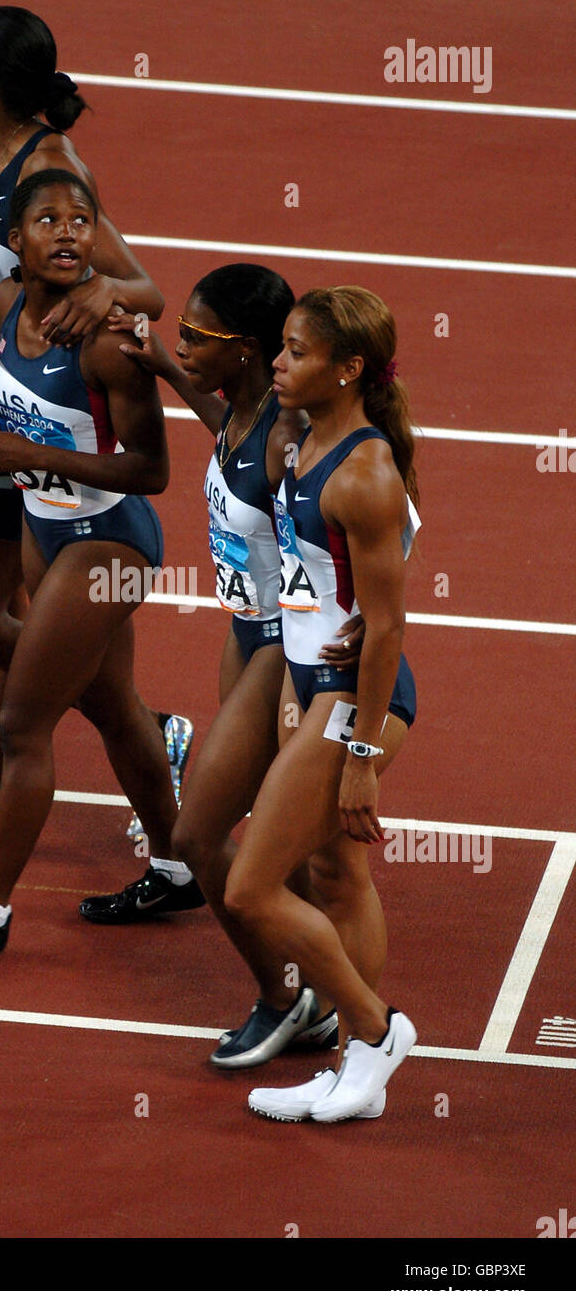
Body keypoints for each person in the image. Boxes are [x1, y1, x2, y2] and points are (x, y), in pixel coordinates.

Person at [0, 6, 191, 857]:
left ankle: (140, 724)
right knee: (3, 608)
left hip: (26, 401)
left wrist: (102, 297)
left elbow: (143, 286)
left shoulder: (48, 166)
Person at [0, 170, 196, 961]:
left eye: (81, 220)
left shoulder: (106, 342)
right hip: (47, 530)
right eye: (48, 220)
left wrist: (26, 452)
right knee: (116, 710)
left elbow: (150, 472)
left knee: (25, 722)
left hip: (111, 545)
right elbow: (7, 394)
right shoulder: (7, 309)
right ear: (18, 243)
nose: (67, 232)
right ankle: (178, 864)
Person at [79, 267, 364, 1074]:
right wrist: (169, 372)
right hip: (243, 636)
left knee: (200, 836)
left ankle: (291, 1000)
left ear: (245, 350)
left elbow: (339, 526)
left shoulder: (285, 436)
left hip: (280, 650)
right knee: (287, 842)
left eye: (195, 338)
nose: (182, 342)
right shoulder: (246, 413)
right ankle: (314, 987)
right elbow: (224, 439)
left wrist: (352, 624)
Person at [218, 285, 421, 1123]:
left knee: (251, 888)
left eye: (297, 353)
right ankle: (351, 1072)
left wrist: (363, 761)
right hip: (314, 684)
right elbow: (371, 565)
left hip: (357, 701)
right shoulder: (306, 441)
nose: (277, 362)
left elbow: (389, 631)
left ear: (348, 371)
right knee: (339, 875)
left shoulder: (362, 472)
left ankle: (377, 1034)